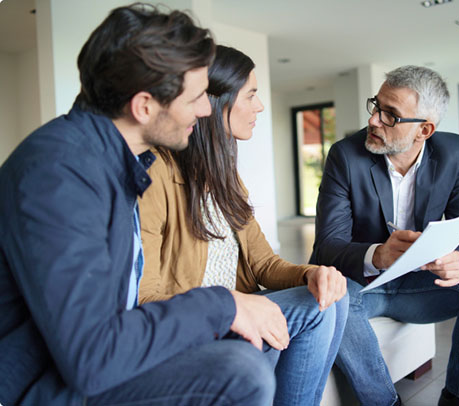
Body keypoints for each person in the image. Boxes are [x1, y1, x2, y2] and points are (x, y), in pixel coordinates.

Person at [0, 5, 277, 406]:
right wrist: (222, 304)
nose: (206, 109)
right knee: (240, 372)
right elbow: (91, 357)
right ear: (144, 106)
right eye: (196, 97)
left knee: (255, 340)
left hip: (89, 364)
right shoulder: (58, 173)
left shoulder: (110, 162)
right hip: (47, 387)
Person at [138, 45, 348, 406]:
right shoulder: (156, 173)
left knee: (332, 296)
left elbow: (264, 264)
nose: (260, 106)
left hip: (237, 309)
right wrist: (229, 305)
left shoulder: (224, 174)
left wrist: (312, 274)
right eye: (250, 95)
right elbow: (145, 297)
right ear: (215, 101)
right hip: (199, 323)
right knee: (314, 307)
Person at [310, 65, 459, 406]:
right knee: (333, 298)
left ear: (425, 129)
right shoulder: (345, 155)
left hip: (422, 284)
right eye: (376, 106)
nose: (374, 120)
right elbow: (326, 247)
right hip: (363, 287)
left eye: (390, 115)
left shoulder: (452, 152)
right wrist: (377, 254)